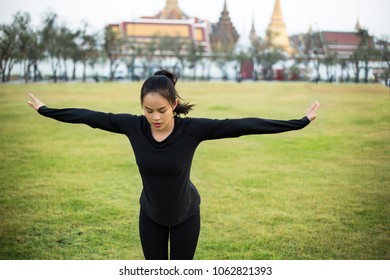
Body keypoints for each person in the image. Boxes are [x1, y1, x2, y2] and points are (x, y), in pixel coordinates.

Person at [28, 70, 320, 260]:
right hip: (151, 215)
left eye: (162, 110)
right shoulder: (133, 126)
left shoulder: (191, 129)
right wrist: (46, 110)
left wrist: (298, 123)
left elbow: (241, 125)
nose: (155, 117)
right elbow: (90, 116)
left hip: (186, 216)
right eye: (148, 110)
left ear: (174, 104)